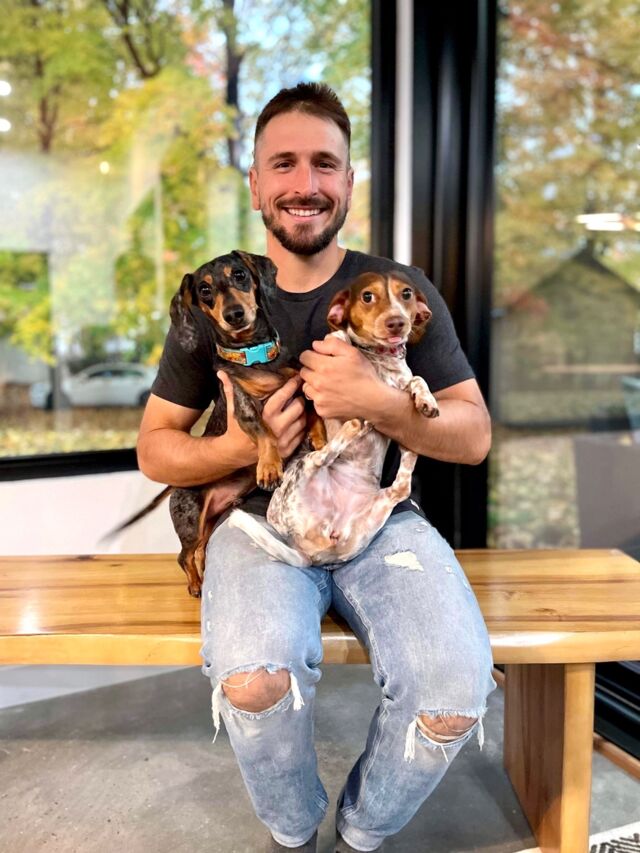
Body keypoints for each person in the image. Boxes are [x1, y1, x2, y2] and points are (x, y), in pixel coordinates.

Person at [137, 83, 496, 853]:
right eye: (285, 164)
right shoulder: (210, 302)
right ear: (256, 183)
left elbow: (472, 436)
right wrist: (245, 446)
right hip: (256, 526)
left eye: (325, 164)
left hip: (378, 516)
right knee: (253, 682)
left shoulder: (396, 290)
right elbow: (155, 448)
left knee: (452, 696)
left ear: (349, 182)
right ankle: (295, 829)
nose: (306, 184)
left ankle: (364, 830)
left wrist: (380, 402)